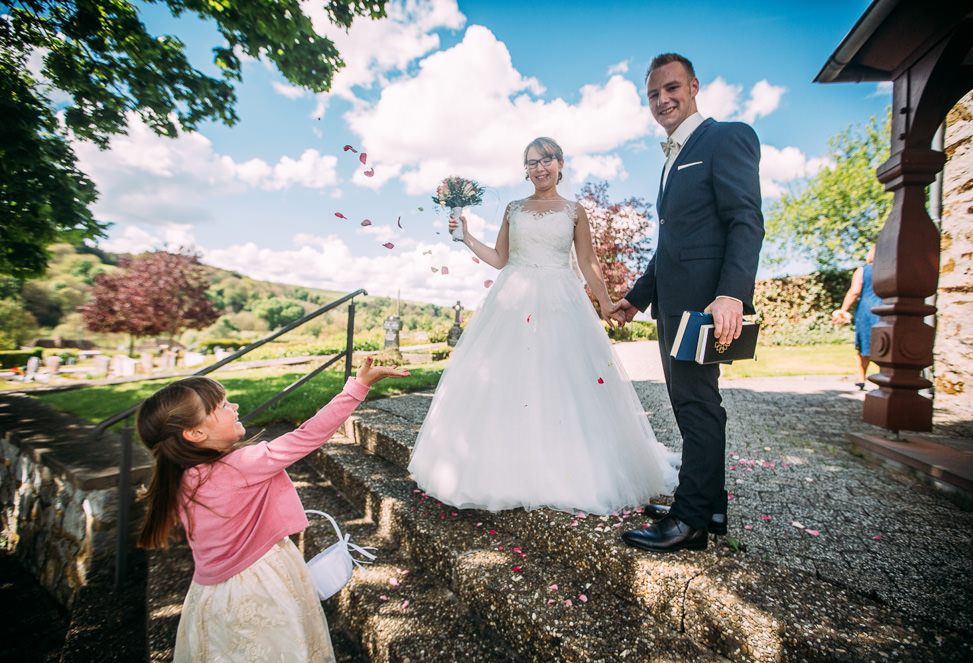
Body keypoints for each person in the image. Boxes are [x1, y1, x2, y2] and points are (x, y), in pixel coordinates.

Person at [407, 136, 680, 515]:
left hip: (560, 300)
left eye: (546, 160)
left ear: (560, 163)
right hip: (511, 300)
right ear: (526, 169)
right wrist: (467, 236)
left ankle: (564, 465)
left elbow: (587, 262)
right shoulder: (513, 208)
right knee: (506, 378)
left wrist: (604, 303)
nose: (539, 168)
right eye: (532, 162)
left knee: (560, 377)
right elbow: (501, 258)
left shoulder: (574, 211)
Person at [136, 357, 409, 663]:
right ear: (196, 433)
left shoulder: (180, 478)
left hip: (211, 598)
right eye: (224, 405)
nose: (235, 406)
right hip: (261, 585)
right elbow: (308, 434)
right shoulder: (241, 466)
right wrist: (358, 386)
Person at [612, 53, 765, 553]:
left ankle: (692, 520)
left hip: (706, 308)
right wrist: (636, 299)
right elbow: (671, 243)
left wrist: (732, 295)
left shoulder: (726, 137)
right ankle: (707, 501)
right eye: (653, 94)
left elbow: (746, 221)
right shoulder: (670, 157)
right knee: (689, 404)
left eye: (672, 88)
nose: (663, 100)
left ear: (695, 86)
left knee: (698, 405)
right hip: (672, 306)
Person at [832, 246, 882, 390]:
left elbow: (854, 292)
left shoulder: (863, 271)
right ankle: (884, 377)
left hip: (866, 310)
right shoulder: (890, 271)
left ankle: (861, 379)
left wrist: (843, 310)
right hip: (884, 307)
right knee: (884, 343)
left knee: (864, 345)